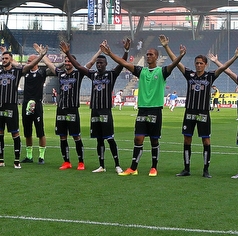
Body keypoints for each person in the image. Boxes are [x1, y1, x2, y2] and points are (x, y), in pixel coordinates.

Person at [101, 36, 186, 176]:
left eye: (151, 54)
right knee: (138, 138)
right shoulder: (141, 71)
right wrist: (110, 53)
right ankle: (133, 168)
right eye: (147, 54)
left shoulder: (161, 72)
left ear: (156, 57)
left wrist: (180, 55)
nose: (148, 56)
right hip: (142, 109)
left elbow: (173, 64)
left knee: (154, 139)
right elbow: (123, 63)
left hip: (155, 109)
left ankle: (154, 167)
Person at [162, 38, 238, 178]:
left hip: (203, 113)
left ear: (205, 65)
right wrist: (166, 47)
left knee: (206, 140)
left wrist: (235, 56)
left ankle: (206, 170)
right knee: (187, 140)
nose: (198, 65)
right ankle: (186, 168)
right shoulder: (190, 75)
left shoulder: (210, 76)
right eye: (197, 63)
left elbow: (223, 68)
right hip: (190, 113)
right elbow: (176, 62)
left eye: (201, 63)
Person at [60, 38, 129, 173]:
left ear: (106, 64)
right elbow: (79, 67)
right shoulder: (93, 75)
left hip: (105, 111)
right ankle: (101, 166)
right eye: (97, 63)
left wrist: (126, 51)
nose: (98, 65)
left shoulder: (111, 74)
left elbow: (122, 64)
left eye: (101, 63)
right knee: (99, 139)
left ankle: (117, 165)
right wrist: (68, 54)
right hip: (95, 111)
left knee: (110, 139)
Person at [45, 41, 91, 171]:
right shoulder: (60, 74)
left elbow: (90, 64)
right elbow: (49, 64)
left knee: (76, 136)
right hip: (61, 110)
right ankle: (66, 161)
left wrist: (99, 52)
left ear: (73, 63)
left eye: (69, 61)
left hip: (72, 110)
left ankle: (81, 162)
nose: (67, 63)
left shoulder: (78, 73)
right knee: (62, 136)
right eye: (65, 61)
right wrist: (42, 54)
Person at [21, 50, 51, 164]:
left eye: (29, 61)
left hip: (37, 105)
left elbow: (55, 68)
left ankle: (41, 157)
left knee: (40, 132)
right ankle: (29, 156)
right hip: (26, 104)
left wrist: (42, 55)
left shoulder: (42, 73)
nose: (27, 63)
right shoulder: (25, 72)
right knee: (27, 132)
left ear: (35, 62)